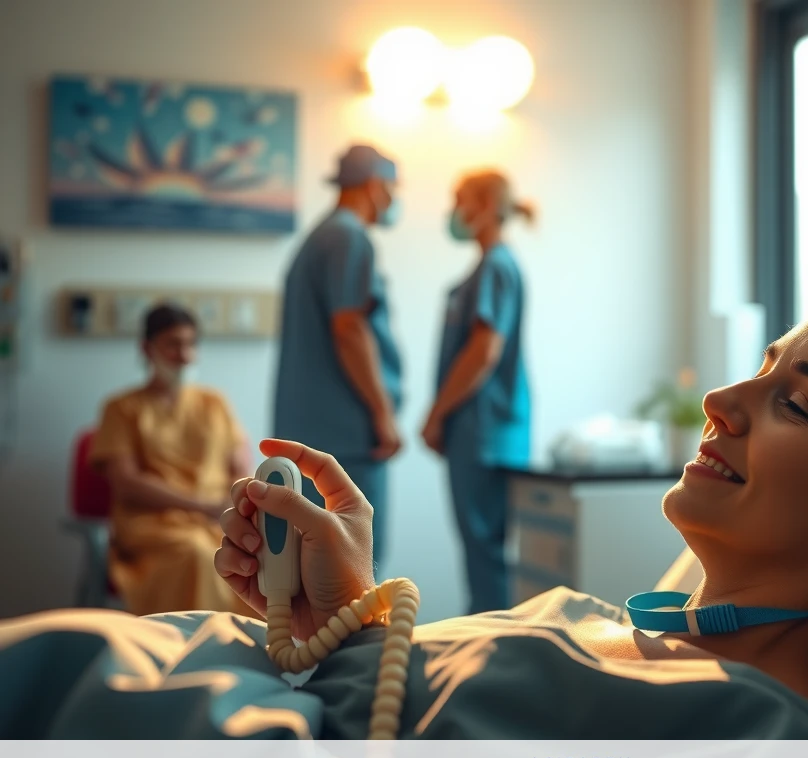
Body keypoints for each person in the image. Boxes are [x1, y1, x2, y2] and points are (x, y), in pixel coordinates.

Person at [1, 279, 808, 739]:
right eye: (761, 366)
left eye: (796, 402)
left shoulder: (750, 739)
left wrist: (342, 661)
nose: (721, 400)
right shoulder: (604, 625)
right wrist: (345, 614)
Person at [272, 144, 405, 579]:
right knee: (354, 571)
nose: (393, 199)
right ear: (375, 184)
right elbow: (349, 328)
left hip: (316, 434)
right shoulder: (349, 238)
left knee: (315, 572)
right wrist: (383, 414)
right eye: (392, 188)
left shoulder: (320, 237)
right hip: (346, 437)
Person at [87, 303, 251, 616]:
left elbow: (242, 470)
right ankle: (196, 644)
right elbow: (127, 484)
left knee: (271, 555)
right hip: (153, 527)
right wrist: (202, 506)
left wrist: (231, 507)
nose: (184, 355)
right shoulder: (122, 409)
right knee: (200, 554)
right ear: (147, 349)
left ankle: (261, 644)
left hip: (218, 521)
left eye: (190, 344)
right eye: (173, 344)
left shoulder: (215, 404)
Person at [421, 169, 535, 614]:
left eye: (460, 199)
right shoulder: (490, 268)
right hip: (483, 430)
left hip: (483, 431)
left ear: (486, 206)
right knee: (482, 554)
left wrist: (436, 415)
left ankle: (489, 649)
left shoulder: (496, 267)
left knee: (484, 555)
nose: (453, 211)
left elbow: (484, 351)